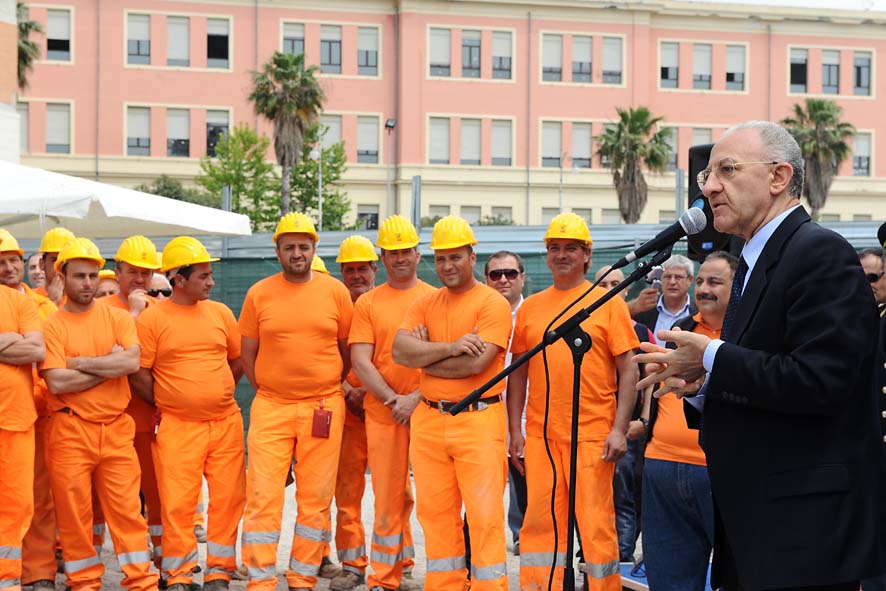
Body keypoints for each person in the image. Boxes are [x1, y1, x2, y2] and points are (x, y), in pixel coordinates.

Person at [636, 120, 880, 590]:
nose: (708, 187)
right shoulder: (752, 259)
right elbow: (765, 374)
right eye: (706, 175)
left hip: (803, 531)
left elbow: (820, 382)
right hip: (757, 522)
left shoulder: (819, 253)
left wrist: (713, 358)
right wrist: (704, 383)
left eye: (726, 169)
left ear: (778, 177)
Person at [507, 213, 639, 591]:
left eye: (570, 248)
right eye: (554, 248)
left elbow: (628, 369)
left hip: (593, 436)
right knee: (540, 524)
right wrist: (514, 430)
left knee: (596, 524)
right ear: (546, 255)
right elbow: (517, 373)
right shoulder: (530, 307)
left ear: (586, 255)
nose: (561, 255)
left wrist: (618, 429)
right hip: (542, 436)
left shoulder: (606, 302)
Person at [393, 215, 512, 591]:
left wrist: (425, 355)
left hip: (479, 421)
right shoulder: (425, 302)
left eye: (455, 257)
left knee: (485, 517)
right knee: (435, 516)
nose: (447, 266)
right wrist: (451, 347)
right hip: (428, 421)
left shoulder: (492, 303)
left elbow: (477, 364)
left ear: (472, 256)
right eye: (441, 258)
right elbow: (400, 351)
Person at [239, 212, 353, 591]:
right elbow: (249, 353)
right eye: (289, 247)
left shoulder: (334, 291)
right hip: (271, 405)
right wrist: (271, 387)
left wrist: (325, 383)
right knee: (262, 494)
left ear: (314, 249)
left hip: (323, 405)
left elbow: (346, 350)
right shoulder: (259, 293)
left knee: (316, 497)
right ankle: (260, 579)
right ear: (278, 251)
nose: (297, 253)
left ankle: (303, 577)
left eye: (304, 246)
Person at [39, 237, 159, 591]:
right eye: (80, 276)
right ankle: (84, 583)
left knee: (127, 514)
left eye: (93, 275)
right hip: (69, 430)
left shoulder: (118, 317)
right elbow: (57, 382)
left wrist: (80, 364)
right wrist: (108, 365)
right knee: (75, 517)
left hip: (116, 429)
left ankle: (142, 583)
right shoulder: (52, 325)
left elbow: (131, 361)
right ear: (63, 277)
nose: (88, 283)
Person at [131, 236, 245, 591]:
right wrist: (170, 400)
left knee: (228, 499)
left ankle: (219, 572)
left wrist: (217, 391)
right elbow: (138, 372)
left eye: (210, 275)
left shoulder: (221, 313)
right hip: (177, 426)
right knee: (178, 502)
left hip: (225, 422)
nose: (211, 282)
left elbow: (237, 359)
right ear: (178, 279)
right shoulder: (152, 320)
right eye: (204, 276)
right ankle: (179, 575)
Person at [642, 251, 736, 590]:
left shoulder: (744, 337)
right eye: (700, 281)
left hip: (719, 472)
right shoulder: (680, 330)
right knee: (668, 579)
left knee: (734, 575)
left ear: (736, 286)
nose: (703, 289)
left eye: (715, 281)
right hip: (661, 468)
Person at [348, 217, 431, 591]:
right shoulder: (368, 302)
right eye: (392, 253)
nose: (399, 259)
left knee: (434, 498)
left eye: (406, 252)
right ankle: (384, 578)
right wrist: (392, 399)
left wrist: (416, 397)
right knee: (387, 497)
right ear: (382, 257)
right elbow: (361, 361)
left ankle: (433, 569)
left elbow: (445, 358)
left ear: (417, 254)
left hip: (430, 411)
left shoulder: (435, 297)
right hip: (383, 414)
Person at [99, 235, 164, 567]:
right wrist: (136, 314)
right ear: (117, 271)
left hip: (151, 420)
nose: (140, 280)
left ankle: (167, 562)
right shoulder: (100, 309)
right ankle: (87, 564)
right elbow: (110, 359)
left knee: (158, 496)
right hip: (110, 421)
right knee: (110, 502)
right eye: (133, 272)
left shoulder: (162, 310)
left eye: (146, 273)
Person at [0, 230, 59, 591]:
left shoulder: (27, 304)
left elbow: (37, 351)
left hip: (27, 415)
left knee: (27, 501)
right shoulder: (24, 307)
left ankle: (27, 574)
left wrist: (20, 343)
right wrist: (13, 341)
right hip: (23, 412)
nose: (9, 268)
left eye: (14, 260)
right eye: (1, 262)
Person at [327, 235, 377, 591]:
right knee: (347, 492)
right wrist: (348, 391)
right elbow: (321, 358)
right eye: (350, 269)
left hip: (384, 409)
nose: (357, 275)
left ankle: (400, 566)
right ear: (341, 272)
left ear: (375, 268)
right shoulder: (334, 307)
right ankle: (352, 564)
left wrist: (372, 393)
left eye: (363, 268)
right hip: (347, 411)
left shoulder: (387, 304)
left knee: (397, 493)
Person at [594, 264, 653, 564]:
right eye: (602, 286)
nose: (609, 291)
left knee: (624, 495)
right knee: (596, 498)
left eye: (615, 284)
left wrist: (641, 420)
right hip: (594, 427)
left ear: (626, 288)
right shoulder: (586, 325)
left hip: (625, 427)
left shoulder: (641, 331)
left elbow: (653, 375)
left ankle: (625, 556)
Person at [484, 251, 527, 556]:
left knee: (526, 484)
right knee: (482, 490)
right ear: (486, 279)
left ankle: (525, 537)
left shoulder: (535, 314)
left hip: (526, 413)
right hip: (484, 412)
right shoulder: (476, 313)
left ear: (522, 277)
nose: (503, 280)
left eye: (510, 273)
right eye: (496, 274)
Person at [632, 254, 696, 342]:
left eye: (678, 277)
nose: (672, 282)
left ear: (690, 280)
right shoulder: (645, 311)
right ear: (660, 278)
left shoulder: (699, 312)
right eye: (667, 277)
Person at [34, 227, 75, 306]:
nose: (61, 267)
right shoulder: (29, 298)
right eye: (54, 260)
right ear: (42, 264)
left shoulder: (82, 300)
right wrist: (52, 302)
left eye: (66, 261)